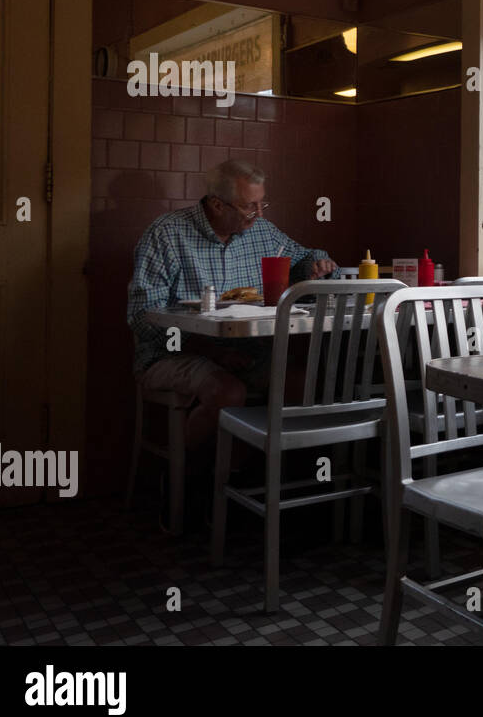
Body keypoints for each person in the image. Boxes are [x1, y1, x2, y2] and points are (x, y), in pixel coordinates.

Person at [127, 160, 338, 488]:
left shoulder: (262, 232)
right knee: (227, 391)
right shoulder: (167, 234)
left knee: (300, 382)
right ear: (216, 204)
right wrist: (209, 349)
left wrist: (318, 265)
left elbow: (303, 258)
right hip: (170, 354)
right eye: (248, 206)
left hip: (247, 351)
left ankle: (263, 482)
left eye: (261, 203)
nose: (259, 214)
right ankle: (184, 481)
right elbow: (142, 316)